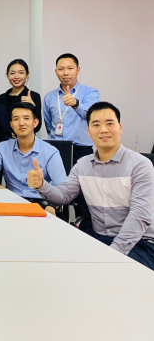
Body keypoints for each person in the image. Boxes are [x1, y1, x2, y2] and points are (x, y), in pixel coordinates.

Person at [28, 102, 154, 271]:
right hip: (98, 238)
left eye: (109, 123)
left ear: (120, 128)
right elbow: (63, 196)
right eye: (96, 125)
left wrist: (112, 254)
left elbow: (140, 215)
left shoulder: (140, 165)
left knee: (109, 273)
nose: (103, 130)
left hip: (139, 243)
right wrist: (41, 184)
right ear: (88, 131)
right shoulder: (83, 164)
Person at [0, 102, 66, 203]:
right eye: (16, 119)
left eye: (26, 118)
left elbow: (62, 191)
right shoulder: (2, 148)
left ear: (35, 123)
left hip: (41, 203)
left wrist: (52, 205)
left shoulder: (50, 152)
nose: (21, 123)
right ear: (11, 124)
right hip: (11, 202)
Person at [43, 53, 100, 164]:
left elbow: (91, 116)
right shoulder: (49, 97)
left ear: (78, 70)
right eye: (61, 69)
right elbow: (49, 125)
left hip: (81, 149)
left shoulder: (90, 93)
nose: (66, 73)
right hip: (55, 149)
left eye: (70, 68)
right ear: (56, 72)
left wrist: (76, 104)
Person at [0, 59, 42, 133]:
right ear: (7, 75)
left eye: (21, 73)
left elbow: (37, 127)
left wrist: (33, 107)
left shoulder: (34, 96)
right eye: (12, 73)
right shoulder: (0, 99)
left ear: (27, 75)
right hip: (4, 139)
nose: (16, 77)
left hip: (25, 138)